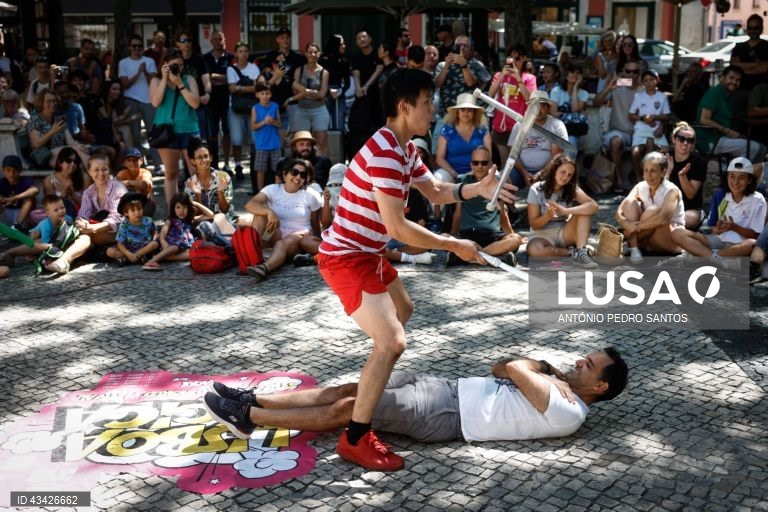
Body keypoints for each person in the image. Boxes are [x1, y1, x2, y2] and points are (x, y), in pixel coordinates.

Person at [312, 69, 514, 471]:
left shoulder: (404, 147)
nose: (433, 110)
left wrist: (477, 188)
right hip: (346, 256)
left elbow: (437, 191)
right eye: (427, 103)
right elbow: (398, 228)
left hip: (368, 254)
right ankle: (355, 436)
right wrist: (452, 244)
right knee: (392, 342)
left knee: (402, 311)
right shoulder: (386, 151)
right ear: (405, 108)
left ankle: (372, 388)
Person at [203, 347, 628, 444]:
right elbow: (499, 367)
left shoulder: (570, 411)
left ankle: (249, 420)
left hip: (446, 413)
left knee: (352, 408)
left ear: (600, 387)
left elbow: (516, 369)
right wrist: (547, 371)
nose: (577, 363)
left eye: (587, 366)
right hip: (444, 386)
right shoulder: (561, 386)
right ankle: (252, 399)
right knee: (352, 387)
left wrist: (544, 370)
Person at [673, 157, 766, 270]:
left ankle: (703, 257)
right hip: (718, 241)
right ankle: (718, 260)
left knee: (752, 244)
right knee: (677, 233)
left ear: (749, 180)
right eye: (732, 176)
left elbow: (757, 235)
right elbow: (713, 228)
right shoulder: (721, 195)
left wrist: (734, 227)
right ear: (727, 177)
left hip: (739, 245)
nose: (735, 182)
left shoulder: (758, 199)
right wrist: (717, 229)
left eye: (741, 178)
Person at [243, 158, 323, 280]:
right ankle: (254, 257)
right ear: (285, 174)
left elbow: (316, 224)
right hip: (274, 233)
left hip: (298, 236)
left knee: (282, 243)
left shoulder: (310, 195)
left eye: (302, 175)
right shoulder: (272, 189)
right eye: (294, 172)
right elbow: (250, 205)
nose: (298, 177)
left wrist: (311, 242)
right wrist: (269, 212)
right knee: (259, 215)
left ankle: (264, 268)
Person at [448, 146, 522, 266]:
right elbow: (458, 212)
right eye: (475, 163)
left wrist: (511, 235)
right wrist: (454, 234)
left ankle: (471, 257)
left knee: (516, 239)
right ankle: (492, 256)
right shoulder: (462, 181)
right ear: (471, 164)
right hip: (468, 235)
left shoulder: (498, 182)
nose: (479, 166)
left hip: (492, 235)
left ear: (490, 164)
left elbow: (502, 212)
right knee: (445, 237)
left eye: (483, 162)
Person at [149, 48, 201, 209]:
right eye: (173, 65)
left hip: (189, 129)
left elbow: (195, 103)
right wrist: (165, 80)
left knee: (195, 172)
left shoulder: (189, 79)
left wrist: (179, 84)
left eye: (180, 65)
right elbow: (155, 103)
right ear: (164, 65)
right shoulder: (156, 81)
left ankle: (200, 209)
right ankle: (174, 211)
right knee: (171, 173)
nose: (178, 68)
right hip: (167, 132)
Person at [526, 154, 598, 268]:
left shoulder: (571, 188)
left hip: (564, 232)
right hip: (541, 235)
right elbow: (534, 225)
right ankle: (573, 252)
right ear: (554, 169)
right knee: (534, 251)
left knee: (585, 212)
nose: (565, 177)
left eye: (569, 175)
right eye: (562, 172)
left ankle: (581, 253)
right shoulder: (536, 189)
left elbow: (593, 206)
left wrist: (565, 211)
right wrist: (547, 216)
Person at [616, 152, 684, 264]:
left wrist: (635, 228)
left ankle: (631, 242)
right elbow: (621, 209)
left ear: (663, 172)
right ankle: (635, 249)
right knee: (629, 202)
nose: (648, 175)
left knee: (654, 211)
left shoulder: (671, 190)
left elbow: (662, 219)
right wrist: (625, 223)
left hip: (669, 237)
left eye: (653, 171)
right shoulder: (641, 186)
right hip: (646, 234)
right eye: (646, 170)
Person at [0, 194, 91, 275]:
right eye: (56, 210)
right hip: (40, 236)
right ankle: (15, 253)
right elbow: (46, 244)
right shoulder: (46, 225)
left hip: (54, 238)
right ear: (48, 213)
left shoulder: (68, 218)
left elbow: (70, 233)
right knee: (36, 239)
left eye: (62, 208)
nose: (60, 211)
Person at [695, 65, 766, 163]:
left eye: (738, 80)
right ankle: (732, 173)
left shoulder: (727, 96)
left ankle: (730, 171)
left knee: (752, 143)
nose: (734, 82)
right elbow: (704, 119)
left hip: (721, 138)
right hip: (710, 140)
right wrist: (727, 131)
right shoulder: (715, 92)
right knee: (758, 149)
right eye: (731, 78)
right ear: (722, 78)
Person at [433, 35, 491, 153]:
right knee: (436, 150)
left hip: (467, 116)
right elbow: (437, 85)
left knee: (468, 151)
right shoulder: (443, 65)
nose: (461, 49)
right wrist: (447, 65)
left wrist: (464, 65)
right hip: (446, 114)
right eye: (458, 46)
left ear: (471, 49)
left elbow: (471, 83)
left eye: (465, 46)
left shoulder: (476, 65)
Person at [593, 61, 642, 193]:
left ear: (639, 74)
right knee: (615, 141)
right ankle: (618, 180)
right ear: (623, 73)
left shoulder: (643, 89)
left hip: (640, 133)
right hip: (620, 132)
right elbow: (596, 102)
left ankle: (641, 183)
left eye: (635, 72)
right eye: (628, 72)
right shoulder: (618, 86)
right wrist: (608, 88)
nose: (631, 75)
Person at [488, 45, 537, 165]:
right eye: (511, 58)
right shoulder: (499, 75)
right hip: (500, 126)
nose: (514, 62)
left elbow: (530, 99)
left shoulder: (529, 78)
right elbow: (490, 94)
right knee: (506, 164)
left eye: (518, 58)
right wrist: (501, 76)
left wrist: (519, 79)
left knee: (519, 163)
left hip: (519, 127)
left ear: (524, 58)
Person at [507, 92, 568, 188]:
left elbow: (557, 155)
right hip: (522, 170)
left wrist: (540, 175)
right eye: (534, 106)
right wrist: (524, 173)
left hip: (549, 169)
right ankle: (510, 203)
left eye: (542, 106)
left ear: (548, 108)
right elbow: (513, 155)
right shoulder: (519, 125)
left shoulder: (556, 125)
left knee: (559, 172)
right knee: (505, 176)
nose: (538, 110)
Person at [119, 33, 160, 172]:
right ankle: (140, 163)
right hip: (131, 101)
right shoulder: (123, 63)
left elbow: (153, 82)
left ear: (143, 48)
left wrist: (146, 72)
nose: (137, 49)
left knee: (153, 133)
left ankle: (158, 164)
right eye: (134, 46)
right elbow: (125, 85)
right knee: (135, 134)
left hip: (148, 100)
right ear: (130, 48)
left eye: (139, 46)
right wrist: (138, 72)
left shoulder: (149, 61)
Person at [142, 192, 206, 271]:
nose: (181, 211)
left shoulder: (190, 220)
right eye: (178, 207)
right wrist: (163, 241)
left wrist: (195, 203)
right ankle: (152, 261)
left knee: (192, 254)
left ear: (189, 208)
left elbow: (211, 215)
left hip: (184, 246)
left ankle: (163, 257)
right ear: (173, 208)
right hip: (170, 244)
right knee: (175, 248)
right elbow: (163, 231)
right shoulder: (171, 219)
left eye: (185, 207)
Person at [435, 93, 492, 181]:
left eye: (469, 110)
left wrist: (475, 173)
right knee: (438, 178)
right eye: (462, 109)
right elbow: (439, 158)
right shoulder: (447, 130)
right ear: (457, 112)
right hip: (451, 172)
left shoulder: (482, 130)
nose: (466, 113)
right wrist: (454, 174)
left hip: (478, 171)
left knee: (499, 178)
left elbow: (488, 157)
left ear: (474, 112)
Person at [74, 155, 127, 247]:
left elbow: (117, 219)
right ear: (89, 172)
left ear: (109, 170)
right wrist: (80, 222)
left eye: (104, 169)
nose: (101, 174)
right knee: (85, 236)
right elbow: (83, 215)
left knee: (86, 236)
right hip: (97, 229)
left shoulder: (118, 189)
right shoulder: (88, 192)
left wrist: (92, 228)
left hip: (121, 231)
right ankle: (64, 259)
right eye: (96, 170)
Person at [184, 141, 236, 233]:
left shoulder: (223, 177)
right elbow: (195, 214)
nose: (204, 160)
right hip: (203, 222)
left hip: (224, 219)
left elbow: (225, 210)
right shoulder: (190, 183)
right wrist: (198, 194)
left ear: (211, 158)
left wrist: (220, 192)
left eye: (206, 156)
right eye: (199, 157)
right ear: (193, 161)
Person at [628, 70, 670, 181]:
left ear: (657, 80)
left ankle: (660, 178)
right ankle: (639, 178)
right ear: (642, 82)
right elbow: (631, 115)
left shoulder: (662, 97)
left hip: (656, 130)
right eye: (645, 80)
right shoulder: (638, 96)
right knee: (635, 152)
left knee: (665, 151)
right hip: (641, 129)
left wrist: (654, 117)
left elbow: (666, 116)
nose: (649, 82)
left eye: (651, 79)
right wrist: (643, 118)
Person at [347, 29, 384, 157]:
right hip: (363, 97)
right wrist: (359, 89)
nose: (362, 39)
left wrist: (366, 86)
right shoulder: (356, 57)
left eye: (364, 36)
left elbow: (379, 70)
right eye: (358, 38)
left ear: (370, 39)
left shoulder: (377, 54)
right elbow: (356, 74)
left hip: (377, 96)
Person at [227, 41, 260, 181]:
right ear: (236, 53)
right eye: (240, 51)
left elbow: (257, 87)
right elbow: (232, 88)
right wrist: (248, 88)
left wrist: (240, 88)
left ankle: (254, 165)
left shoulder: (254, 68)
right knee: (236, 139)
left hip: (252, 107)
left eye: (246, 51)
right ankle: (239, 166)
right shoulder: (231, 69)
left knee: (254, 138)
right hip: (236, 108)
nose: (243, 54)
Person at [263, 27, 306, 134]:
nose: (285, 40)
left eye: (287, 37)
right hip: (275, 99)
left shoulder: (298, 57)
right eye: (282, 37)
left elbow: (301, 74)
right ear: (277, 39)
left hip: (293, 99)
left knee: (295, 133)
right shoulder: (271, 56)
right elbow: (267, 73)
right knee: (276, 133)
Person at [175, 29, 212, 151]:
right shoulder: (174, 61)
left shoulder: (199, 60)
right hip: (180, 105)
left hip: (198, 104)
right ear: (177, 43)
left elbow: (206, 80)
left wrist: (207, 93)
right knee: (182, 139)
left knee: (201, 139)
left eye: (188, 40)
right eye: (183, 40)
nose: (186, 43)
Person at [665, 122, 707, 230]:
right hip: (666, 208)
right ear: (674, 139)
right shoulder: (665, 158)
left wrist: (682, 176)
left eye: (690, 140)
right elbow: (656, 190)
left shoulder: (698, 162)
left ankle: (661, 226)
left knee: (691, 218)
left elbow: (690, 194)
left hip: (689, 209)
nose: (685, 143)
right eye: (681, 139)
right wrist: (668, 172)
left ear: (693, 144)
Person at [203, 31, 234, 172]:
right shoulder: (205, 59)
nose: (217, 41)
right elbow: (205, 80)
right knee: (212, 134)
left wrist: (214, 77)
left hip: (228, 101)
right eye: (214, 39)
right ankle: (214, 163)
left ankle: (227, 163)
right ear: (211, 41)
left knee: (227, 132)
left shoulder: (231, 58)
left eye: (220, 39)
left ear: (224, 40)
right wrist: (225, 78)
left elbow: (233, 79)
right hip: (211, 102)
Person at [293, 42, 330, 157]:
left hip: (319, 110)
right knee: (301, 142)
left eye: (315, 52)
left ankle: (322, 168)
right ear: (305, 54)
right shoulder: (299, 70)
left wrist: (304, 92)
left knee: (321, 143)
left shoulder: (324, 72)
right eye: (310, 52)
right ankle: (302, 166)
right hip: (302, 110)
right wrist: (312, 92)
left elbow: (322, 94)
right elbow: (294, 91)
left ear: (319, 54)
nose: (312, 54)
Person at [106, 192, 158, 266]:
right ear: (126, 213)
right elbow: (120, 244)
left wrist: (154, 239)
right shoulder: (124, 225)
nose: (137, 213)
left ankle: (127, 259)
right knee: (110, 251)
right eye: (133, 210)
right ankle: (138, 258)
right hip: (129, 250)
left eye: (139, 209)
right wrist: (129, 254)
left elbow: (154, 231)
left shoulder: (148, 220)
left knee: (154, 244)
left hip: (145, 248)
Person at [549, 63, 589, 156]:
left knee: (571, 141)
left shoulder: (583, 93)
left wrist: (575, 87)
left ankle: (569, 168)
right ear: (567, 74)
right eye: (572, 72)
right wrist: (569, 116)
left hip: (574, 131)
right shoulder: (556, 91)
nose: (574, 75)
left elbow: (575, 109)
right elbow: (552, 112)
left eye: (577, 73)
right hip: (558, 128)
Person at [250, 82, 281, 195]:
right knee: (260, 169)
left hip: (275, 144)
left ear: (271, 94)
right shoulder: (255, 108)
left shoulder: (274, 106)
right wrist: (264, 122)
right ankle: (260, 191)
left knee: (277, 168)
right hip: (261, 144)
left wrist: (272, 121)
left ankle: (279, 190)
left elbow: (280, 124)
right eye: (262, 93)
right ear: (257, 95)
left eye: (267, 93)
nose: (265, 96)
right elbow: (253, 126)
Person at [42, 147, 90, 218]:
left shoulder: (85, 178)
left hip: (79, 213)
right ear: (60, 163)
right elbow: (50, 205)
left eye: (75, 161)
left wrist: (72, 195)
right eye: (68, 161)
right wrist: (62, 198)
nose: (72, 164)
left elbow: (87, 205)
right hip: (57, 214)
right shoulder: (49, 180)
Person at [319, 34, 350, 132]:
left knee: (339, 122)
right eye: (341, 44)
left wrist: (340, 91)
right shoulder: (322, 60)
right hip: (324, 93)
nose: (344, 46)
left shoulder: (344, 61)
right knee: (324, 122)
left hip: (339, 93)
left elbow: (347, 82)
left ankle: (338, 145)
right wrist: (328, 90)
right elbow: (318, 79)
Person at [730, 15, 768, 92]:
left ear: (761, 29)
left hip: (762, 90)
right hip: (740, 89)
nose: (752, 31)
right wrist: (757, 64)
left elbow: (765, 68)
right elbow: (733, 64)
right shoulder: (739, 47)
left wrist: (742, 68)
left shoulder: (767, 46)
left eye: (756, 28)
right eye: (750, 28)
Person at [115, 148, 156, 218]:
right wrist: (134, 184)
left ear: (141, 161)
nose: (132, 163)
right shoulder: (122, 173)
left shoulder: (145, 172)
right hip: (130, 205)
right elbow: (115, 184)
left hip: (146, 204)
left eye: (135, 160)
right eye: (129, 160)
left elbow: (144, 184)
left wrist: (128, 183)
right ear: (125, 163)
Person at [0, 155, 38, 230]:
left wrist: (15, 198)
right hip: (5, 213)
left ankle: (17, 226)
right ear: (3, 170)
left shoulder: (25, 181)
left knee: (29, 197)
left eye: (15, 170)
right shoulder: (2, 182)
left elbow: (35, 190)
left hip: (22, 215)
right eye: (8, 170)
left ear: (20, 170)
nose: (12, 174)